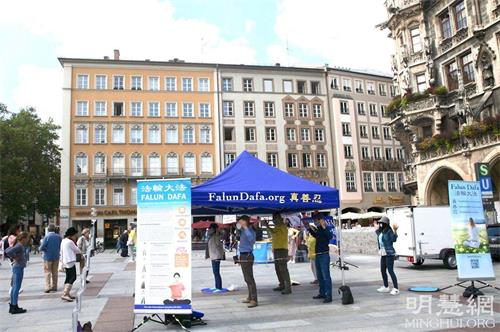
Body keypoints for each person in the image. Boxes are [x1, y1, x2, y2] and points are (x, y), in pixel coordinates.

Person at [305, 214, 333, 303]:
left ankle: (328, 295)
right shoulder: (319, 229)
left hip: (324, 255)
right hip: (318, 254)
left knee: (326, 276)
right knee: (320, 276)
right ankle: (322, 293)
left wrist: (324, 226)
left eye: (316, 221)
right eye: (314, 221)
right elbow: (316, 235)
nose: (315, 222)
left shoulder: (325, 228)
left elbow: (330, 236)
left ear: (321, 220)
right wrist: (308, 228)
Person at [265, 213, 292, 294]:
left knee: (283, 269)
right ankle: (282, 284)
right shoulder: (277, 226)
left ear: (279, 219)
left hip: (282, 250)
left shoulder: (282, 226)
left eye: (275, 218)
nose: (273, 220)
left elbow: (273, 232)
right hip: (276, 249)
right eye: (273, 218)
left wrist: (267, 225)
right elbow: (273, 235)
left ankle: (288, 287)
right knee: (277, 268)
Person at [5, 231, 30, 314]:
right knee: (16, 287)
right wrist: (15, 257)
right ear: (23, 238)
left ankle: (13, 305)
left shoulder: (19, 245)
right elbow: (8, 251)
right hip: (18, 267)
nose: (27, 240)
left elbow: (8, 249)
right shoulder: (19, 245)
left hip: (18, 267)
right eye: (27, 238)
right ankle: (14, 306)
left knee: (15, 287)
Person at [376, 216, 399, 295]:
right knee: (382, 270)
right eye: (380, 223)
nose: (380, 224)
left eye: (381, 223)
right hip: (383, 253)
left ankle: (396, 288)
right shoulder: (380, 232)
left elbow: (394, 239)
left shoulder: (389, 231)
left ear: (385, 224)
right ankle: (386, 287)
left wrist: (395, 231)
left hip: (389, 253)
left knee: (390, 270)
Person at [238, 215, 258, 308]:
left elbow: (251, 240)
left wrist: (245, 227)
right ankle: (250, 297)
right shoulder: (242, 230)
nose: (239, 223)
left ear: (245, 222)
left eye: (241, 221)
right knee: (246, 278)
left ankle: (254, 299)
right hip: (242, 255)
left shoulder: (250, 230)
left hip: (247, 255)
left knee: (250, 278)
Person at [60, 227, 82, 302]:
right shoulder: (70, 242)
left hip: (65, 261)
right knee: (73, 277)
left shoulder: (63, 241)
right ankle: (65, 293)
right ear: (71, 235)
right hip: (70, 261)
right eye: (75, 235)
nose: (75, 237)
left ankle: (67, 293)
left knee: (68, 277)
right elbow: (77, 250)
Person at [39, 224, 62, 293]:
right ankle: (54, 286)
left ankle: (48, 287)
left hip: (47, 257)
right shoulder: (59, 237)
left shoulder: (47, 237)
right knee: (55, 272)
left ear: (48, 230)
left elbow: (41, 247)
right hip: (56, 256)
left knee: (47, 272)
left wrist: (45, 249)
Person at [206, 223, 224, 290]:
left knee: (216, 272)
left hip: (216, 256)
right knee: (215, 272)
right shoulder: (212, 235)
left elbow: (218, 244)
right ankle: (217, 286)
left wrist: (217, 234)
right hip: (214, 255)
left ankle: (219, 287)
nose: (209, 230)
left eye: (210, 228)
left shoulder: (215, 236)